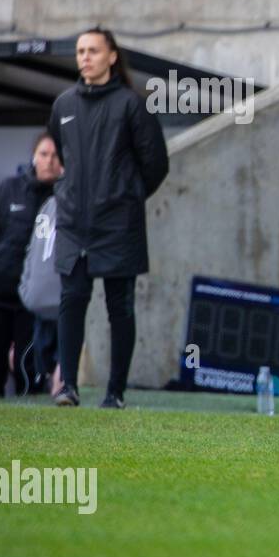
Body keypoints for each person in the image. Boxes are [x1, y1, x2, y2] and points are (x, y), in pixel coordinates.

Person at [48, 29, 168, 409]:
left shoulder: (132, 104)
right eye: (81, 51)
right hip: (73, 223)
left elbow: (156, 165)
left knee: (120, 306)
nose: (85, 57)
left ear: (112, 56)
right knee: (72, 298)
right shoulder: (63, 105)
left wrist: (124, 198)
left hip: (118, 224)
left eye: (93, 51)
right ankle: (68, 386)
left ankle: (115, 393)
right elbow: (63, 155)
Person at [0, 134, 62, 396]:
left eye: (55, 156)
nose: (49, 161)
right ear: (34, 156)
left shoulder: (62, 198)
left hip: (33, 301)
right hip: (0, 291)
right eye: (44, 154)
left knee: (29, 370)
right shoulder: (9, 189)